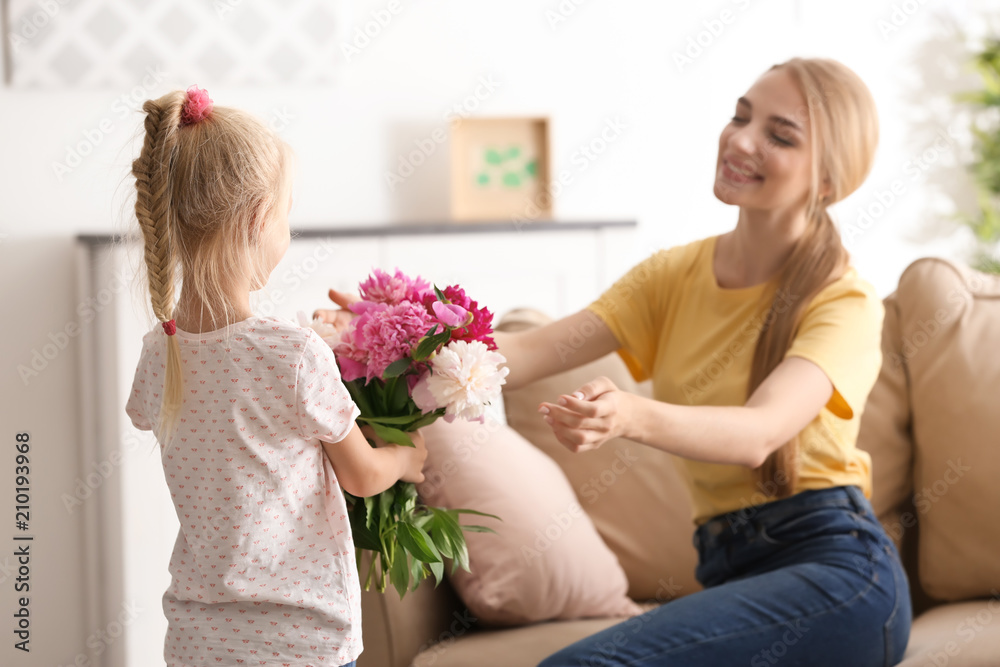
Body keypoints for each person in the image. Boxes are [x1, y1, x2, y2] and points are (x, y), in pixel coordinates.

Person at [321, 57, 911, 666]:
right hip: (733, 572)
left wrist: (630, 415)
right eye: (740, 116)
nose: (740, 140)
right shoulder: (675, 274)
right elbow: (523, 352)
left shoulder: (844, 300)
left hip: (842, 577)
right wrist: (385, 331)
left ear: (828, 182)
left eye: (778, 135)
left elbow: (758, 433)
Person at [124, 85, 427, 667]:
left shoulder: (159, 352)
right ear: (261, 220)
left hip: (195, 640)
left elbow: (152, 418)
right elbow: (363, 476)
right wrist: (408, 459)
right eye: (287, 216)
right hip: (300, 638)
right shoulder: (292, 354)